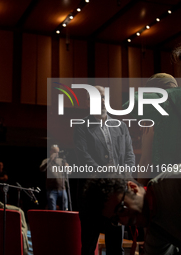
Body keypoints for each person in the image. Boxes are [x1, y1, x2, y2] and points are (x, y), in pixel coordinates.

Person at [73, 85, 136, 255]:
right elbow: (84, 159)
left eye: (103, 97)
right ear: (87, 102)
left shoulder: (121, 126)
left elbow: (130, 157)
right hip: (91, 196)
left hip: (116, 197)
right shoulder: (80, 127)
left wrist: (122, 178)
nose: (100, 100)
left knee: (116, 248)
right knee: (88, 246)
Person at [82, 168, 181, 255]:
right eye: (116, 219)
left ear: (132, 187)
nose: (125, 221)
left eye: (121, 209)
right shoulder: (155, 232)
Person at [123, 39, 181, 168]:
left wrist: (152, 111)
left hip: (179, 178)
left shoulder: (174, 99)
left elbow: (130, 103)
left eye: (178, 66)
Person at [39, 144, 69, 210]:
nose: (57, 154)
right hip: (51, 190)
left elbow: (69, 172)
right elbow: (41, 169)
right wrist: (50, 160)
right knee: (52, 209)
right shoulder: (46, 160)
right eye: (55, 152)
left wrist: (67, 168)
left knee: (64, 209)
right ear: (50, 152)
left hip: (62, 189)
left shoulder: (62, 161)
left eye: (58, 152)